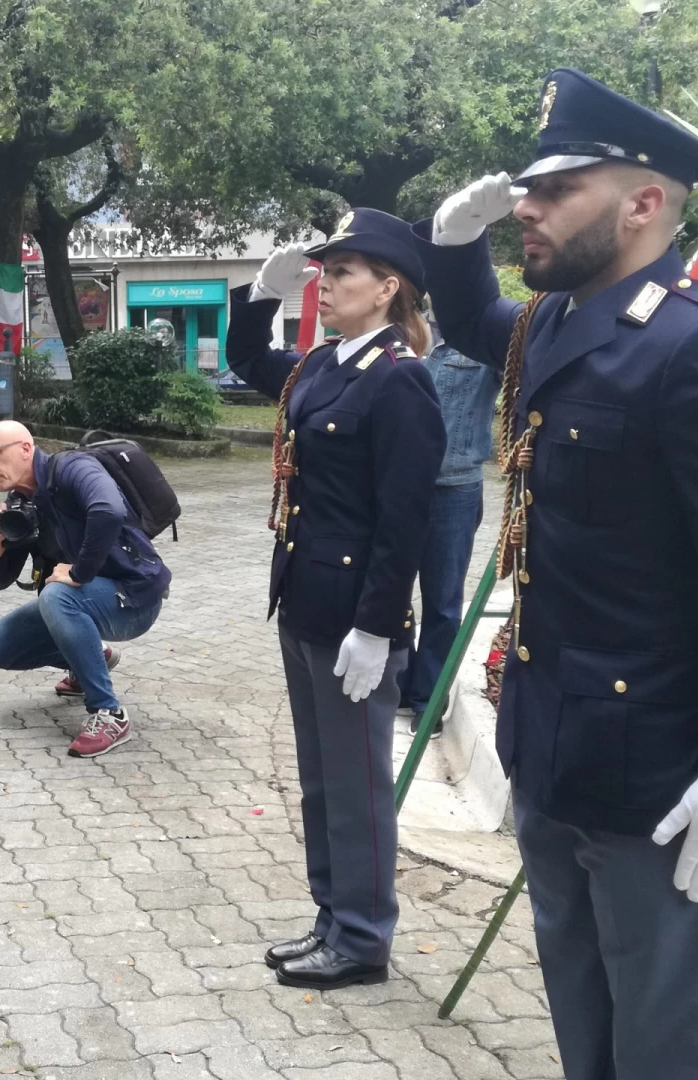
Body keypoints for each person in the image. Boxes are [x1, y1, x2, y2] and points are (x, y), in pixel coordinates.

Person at [413, 68, 698, 1078]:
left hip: (659, 778)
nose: (527, 209)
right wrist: (452, 253)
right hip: (554, 750)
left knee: (659, 1039)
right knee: (583, 1024)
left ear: (642, 205)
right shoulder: (560, 321)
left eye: (557, 190)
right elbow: (479, 330)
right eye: (528, 189)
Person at [225, 208, 445, 990]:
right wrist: (260, 295)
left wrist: (377, 627)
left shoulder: (400, 380)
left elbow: (405, 518)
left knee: (358, 784)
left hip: (354, 613)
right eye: (325, 268)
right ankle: (332, 916)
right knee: (323, 777)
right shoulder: (324, 365)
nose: (328, 281)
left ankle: (363, 937)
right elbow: (248, 359)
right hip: (305, 601)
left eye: (342, 271)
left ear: (388, 287)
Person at [0, 420, 171, 758]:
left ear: (25, 448)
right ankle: (93, 659)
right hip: (76, 601)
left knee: (57, 596)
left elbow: (108, 510)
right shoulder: (22, 499)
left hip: (134, 598)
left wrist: (79, 572)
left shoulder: (73, 467)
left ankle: (109, 713)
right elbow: (0, 580)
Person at [405, 321, 501, 733]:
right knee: (391, 589)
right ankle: (399, 683)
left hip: (455, 486)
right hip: (400, 482)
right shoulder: (408, 337)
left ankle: (427, 701)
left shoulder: (482, 343)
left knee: (443, 600)